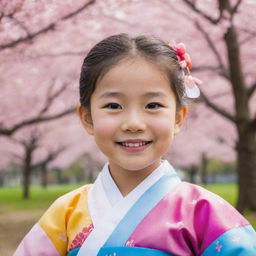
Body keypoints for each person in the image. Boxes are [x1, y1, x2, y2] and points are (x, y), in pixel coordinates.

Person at [14, 34, 256, 256]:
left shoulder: (204, 212)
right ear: (87, 118)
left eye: (152, 105)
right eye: (113, 106)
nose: (133, 124)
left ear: (178, 117)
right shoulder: (65, 213)